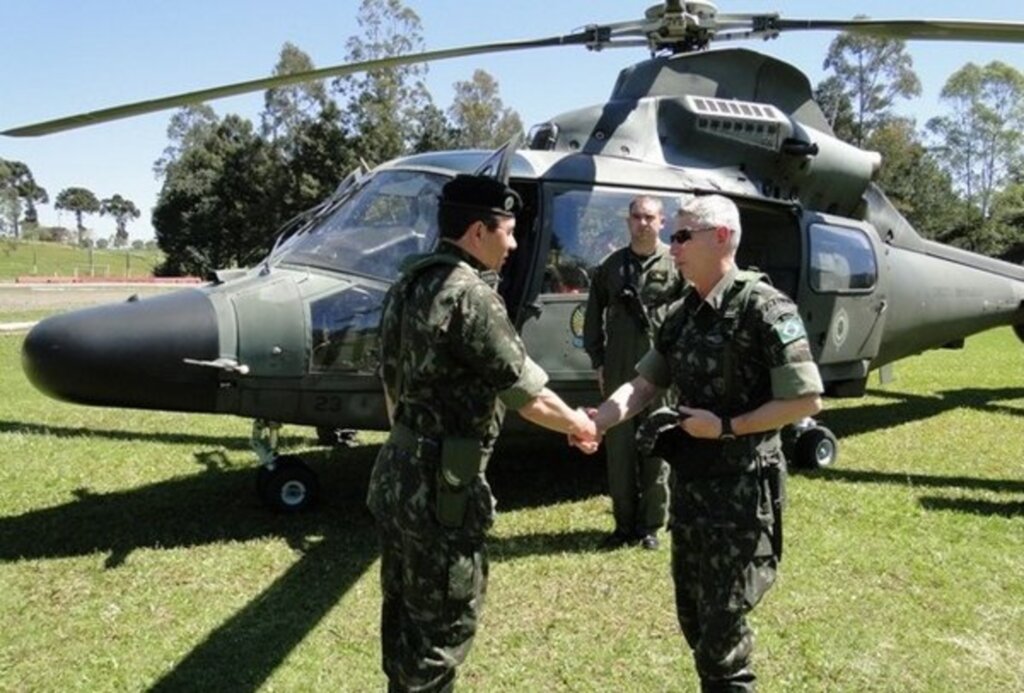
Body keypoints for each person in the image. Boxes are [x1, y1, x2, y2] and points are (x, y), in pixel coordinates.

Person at [574, 194, 823, 691]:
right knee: (694, 619)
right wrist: (599, 421)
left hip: (741, 497)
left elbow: (805, 401)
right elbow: (644, 384)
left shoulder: (765, 307)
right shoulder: (684, 312)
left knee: (722, 636)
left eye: (684, 235)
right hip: (692, 492)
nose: (673, 245)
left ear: (722, 238)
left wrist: (728, 427)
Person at [367, 173, 597, 692]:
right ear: (477, 231)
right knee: (442, 629)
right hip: (441, 489)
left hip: (396, 473)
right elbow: (528, 393)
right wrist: (580, 423)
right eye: (508, 231)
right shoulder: (470, 296)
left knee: (404, 621)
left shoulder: (409, 284)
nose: (514, 244)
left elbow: (390, 381)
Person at [582, 195, 681, 550]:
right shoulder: (610, 266)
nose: (643, 223)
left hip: (661, 368)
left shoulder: (676, 264)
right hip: (620, 367)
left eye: (649, 217)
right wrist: (598, 362)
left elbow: (690, 314)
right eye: (636, 217)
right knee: (619, 451)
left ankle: (651, 526)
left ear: (662, 221)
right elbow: (593, 317)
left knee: (658, 447)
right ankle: (624, 526)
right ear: (628, 221)